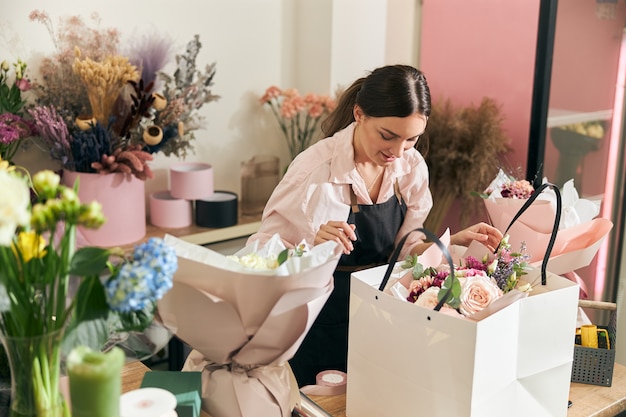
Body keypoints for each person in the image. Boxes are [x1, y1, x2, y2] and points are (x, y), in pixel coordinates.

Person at [247, 64, 502, 386]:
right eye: (387, 136)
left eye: (411, 139)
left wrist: (448, 244)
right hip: (318, 323)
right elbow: (258, 253)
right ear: (359, 114)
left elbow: (405, 249)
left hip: (380, 317)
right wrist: (310, 245)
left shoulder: (410, 168)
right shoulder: (315, 172)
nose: (397, 152)